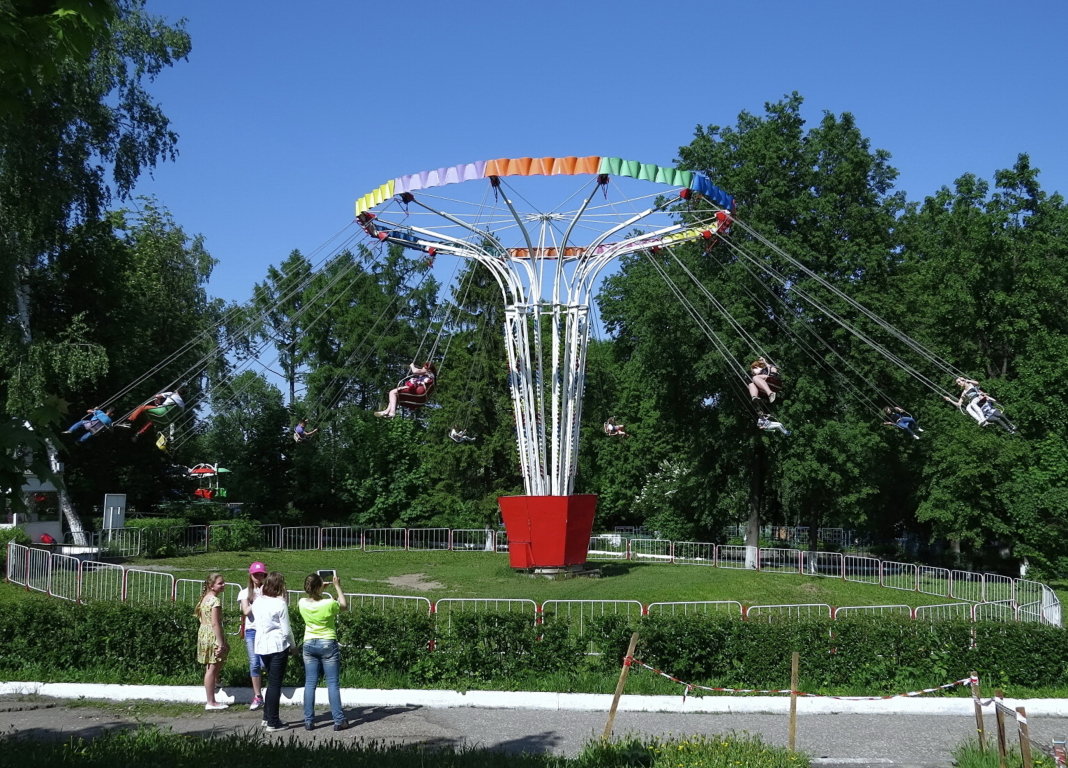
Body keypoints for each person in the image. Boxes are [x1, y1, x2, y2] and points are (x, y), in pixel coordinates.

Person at [297, 571, 349, 731]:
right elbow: (344, 606)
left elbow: (312, 596)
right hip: (327, 642)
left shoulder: (302, 603)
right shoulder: (328, 603)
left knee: (310, 683)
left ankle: (308, 720)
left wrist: (319, 587)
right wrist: (337, 586)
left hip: (309, 643)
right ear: (319, 587)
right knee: (332, 683)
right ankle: (338, 720)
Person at [251, 571, 296, 732]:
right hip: (278, 646)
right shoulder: (280, 604)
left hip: (261, 645)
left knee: (271, 682)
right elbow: (286, 630)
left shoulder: (257, 601)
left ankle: (266, 717)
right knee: (275, 684)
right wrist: (293, 645)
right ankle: (273, 721)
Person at [195, 572, 229, 711]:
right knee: (212, 666)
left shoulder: (205, 598)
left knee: (217, 659)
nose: (223, 585)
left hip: (203, 632)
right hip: (211, 634)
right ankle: (211, 701)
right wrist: (220, 642)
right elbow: (215, 623)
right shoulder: (215, 601)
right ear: (211, 585)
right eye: (220, 583)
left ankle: (215, 680)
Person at [237, 561, 268, 711]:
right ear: (251, 575)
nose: (259, 577)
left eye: (261, 574)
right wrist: (255, 600)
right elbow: (246, 611)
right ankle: (257, 695)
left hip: (266, 630)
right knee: (254, 663)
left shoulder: (268, 591)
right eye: (256, 574)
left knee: (264, 662)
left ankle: (269, 689)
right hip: (252, 631)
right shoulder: (245, 593)